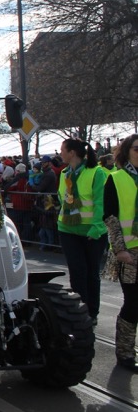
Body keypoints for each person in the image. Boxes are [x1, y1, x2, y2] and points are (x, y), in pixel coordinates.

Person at [57, 138, 108, 324]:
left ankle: (92, 312)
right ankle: (80, 311)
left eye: (63, 150)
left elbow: (101, 201)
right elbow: (61, 197)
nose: (60, 153)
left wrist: (97, 226)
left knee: (91, 273)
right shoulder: (64, 173)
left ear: (72, 153)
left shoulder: (96, 172)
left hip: (91, 231)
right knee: (77, 272)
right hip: (67, 229)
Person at [103, 134, 138, 373]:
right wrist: (120, 249)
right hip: (130, 252)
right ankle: (125, 352)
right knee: (133, 304)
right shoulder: (116, 178)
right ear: (127, 152)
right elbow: (110, 216)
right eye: (137, 149)